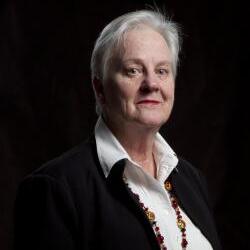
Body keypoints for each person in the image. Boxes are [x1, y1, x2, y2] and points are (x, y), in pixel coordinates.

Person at [14, 9, 221, 250]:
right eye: (133, 70)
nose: (151, 84)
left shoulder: (191, 179)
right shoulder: (55, 187)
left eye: (162, 71)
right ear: (100, 89)